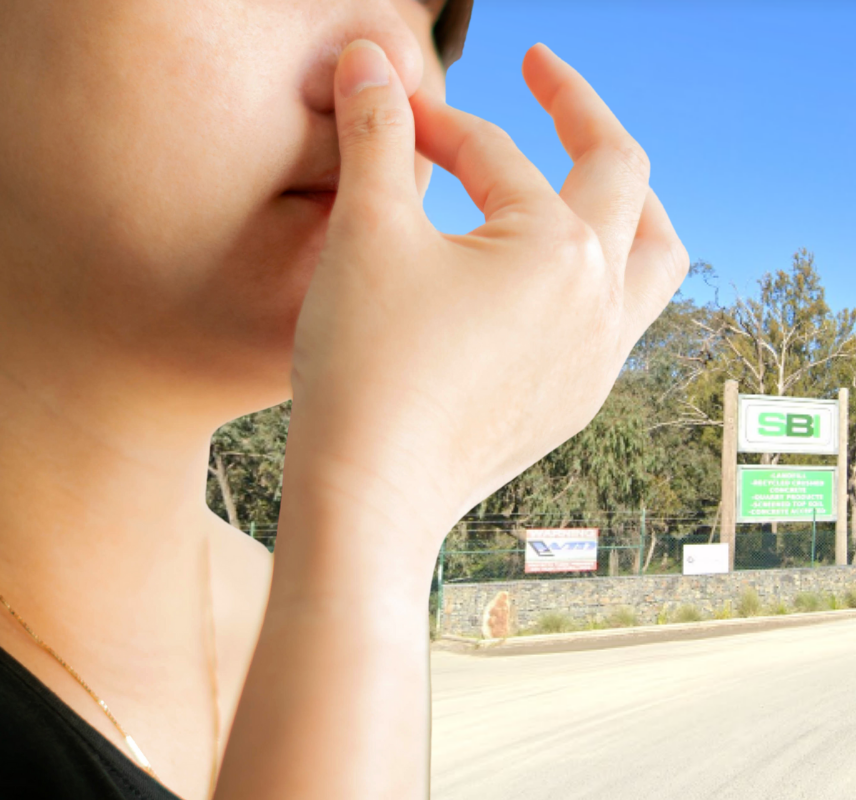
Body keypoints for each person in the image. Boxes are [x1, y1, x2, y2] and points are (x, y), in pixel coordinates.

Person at [0, 1, 687, 798]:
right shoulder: (350, 572)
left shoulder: (279, 592)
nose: (391, 64)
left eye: (435, 27)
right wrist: (382, 503)